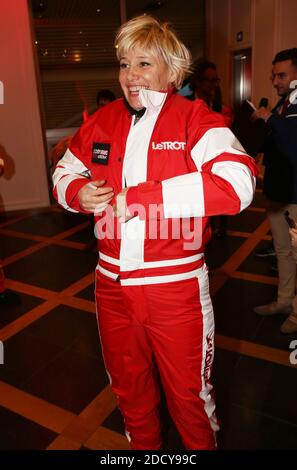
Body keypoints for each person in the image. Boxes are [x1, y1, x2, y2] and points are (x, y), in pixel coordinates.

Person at [53, 15, 257, 450]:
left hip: (176, 289)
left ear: (170, 70)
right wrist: (77, 191)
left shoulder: (193, 119)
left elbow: (238, 184)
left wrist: (141, 198)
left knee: (190, 398)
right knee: (130, 393)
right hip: (111, 286)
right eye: (125, 64)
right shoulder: (103, 120)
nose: (130, 76)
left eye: (143, 64)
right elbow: (63, 170)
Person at [252, 48, 297, 334]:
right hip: (279, 193)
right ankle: (284, 301)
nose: (275, 80)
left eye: (281, 75)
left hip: (296, 197)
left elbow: (293, 144)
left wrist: (269, 119)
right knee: (282, 251)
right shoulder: (283, 105)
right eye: (274, 74)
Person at [190, 60, 233, 237]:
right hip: (192, 170)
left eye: (217, 80)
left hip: (216, 167)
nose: (215, 85)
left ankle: (220, 229)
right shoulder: (185, 104)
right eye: (211, 80)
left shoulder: (219, 106)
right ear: (199, 82)